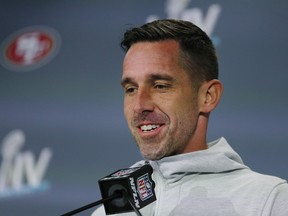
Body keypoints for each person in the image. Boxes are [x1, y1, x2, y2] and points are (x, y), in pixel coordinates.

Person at [92, 19, 288, 216]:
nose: (139, 105)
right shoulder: (106, 212)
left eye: (160, 86)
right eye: (131, 89)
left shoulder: (270, 200)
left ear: (208, 96)